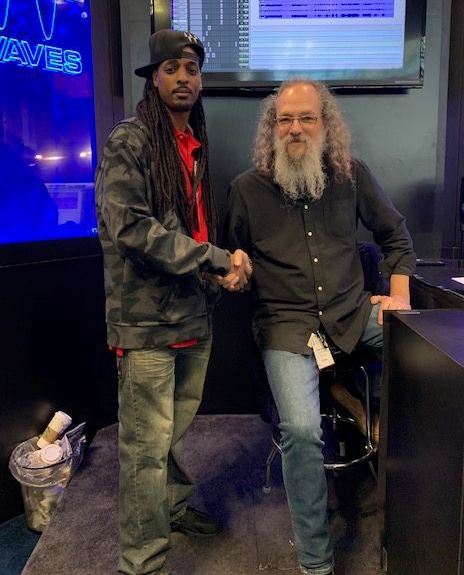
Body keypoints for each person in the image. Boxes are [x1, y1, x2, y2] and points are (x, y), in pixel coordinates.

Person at [224, 79, 415, 575]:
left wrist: (398, 298)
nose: (295, 128)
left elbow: (396, 237)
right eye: (285, 119)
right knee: (303, 430)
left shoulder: (352, 176)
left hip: (353, 313)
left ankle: (422, 503)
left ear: (325, 124)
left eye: (306, 118)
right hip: (286, 327)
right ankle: (316, 564)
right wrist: (234, 269)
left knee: (428, 352)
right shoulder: (246, 189)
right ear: (272, 128)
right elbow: (231, 259)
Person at [95, 29, 251, 575]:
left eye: (192, 68)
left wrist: (218, 274)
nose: (183, 78)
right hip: (145, 326)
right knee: (145, 446)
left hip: (191, 315)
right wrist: (215, 258)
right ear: (154, 78)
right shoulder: (130, 141)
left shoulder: (192, 144)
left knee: (171, 432)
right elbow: (132, 231)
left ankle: (173, 507)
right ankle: (142, 562)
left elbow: (193, 227)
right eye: (171, 68)